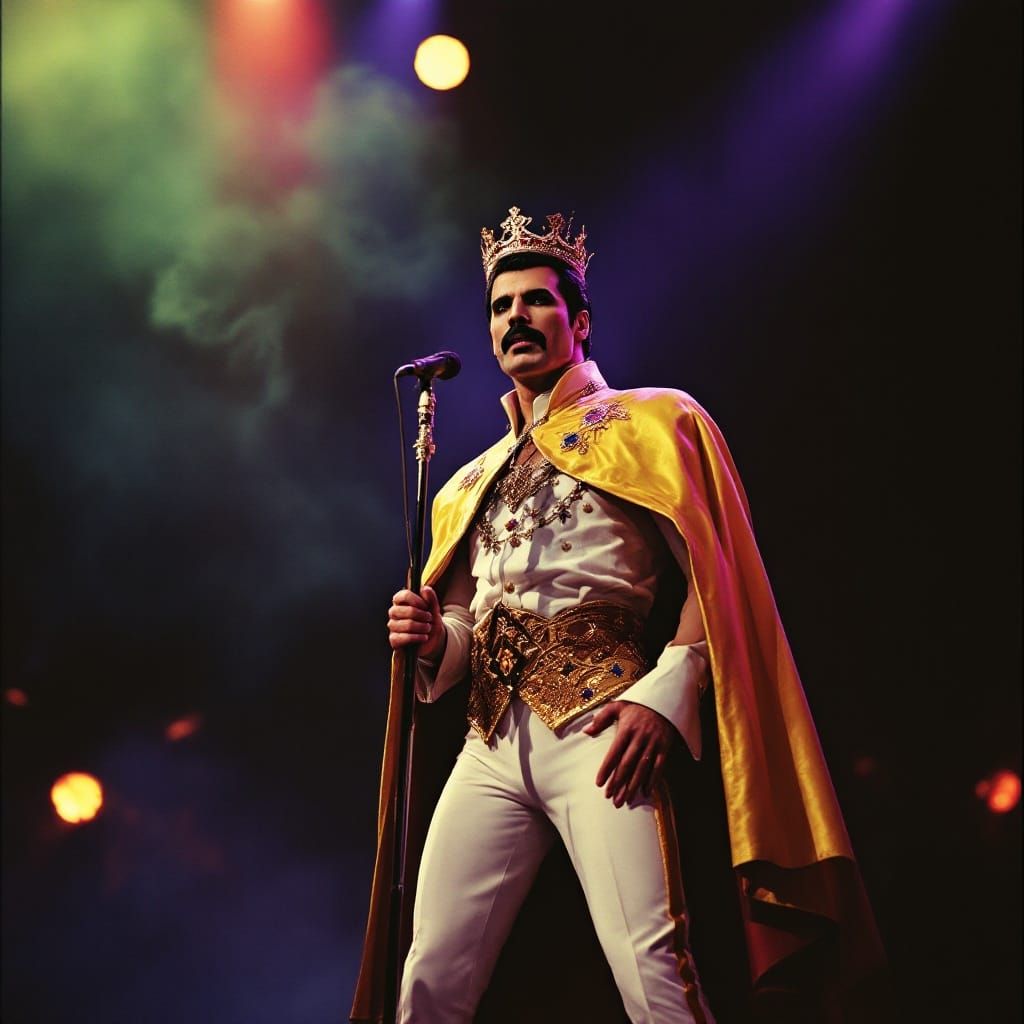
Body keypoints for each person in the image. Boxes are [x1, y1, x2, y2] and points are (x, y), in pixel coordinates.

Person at [351, 207, 884, 1024]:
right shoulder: (466, 478)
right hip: (489, 743)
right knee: (426, 982)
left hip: (600, 729)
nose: (515, 317)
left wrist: (664, 696)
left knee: (652, 974)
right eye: (500, 306)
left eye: (536, 300)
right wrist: (430, 640)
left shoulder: (652, 421)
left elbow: (720, 578)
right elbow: (461, 624)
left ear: (581, 321)